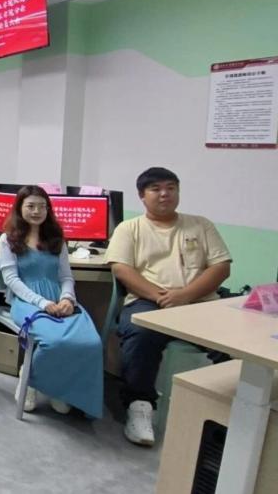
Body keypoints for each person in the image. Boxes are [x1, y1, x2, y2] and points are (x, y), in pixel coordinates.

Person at [106, 167, 231, 446]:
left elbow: (221, 267)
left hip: (200, 302)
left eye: (171, 188)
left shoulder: (200, 225)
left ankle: (231, 411)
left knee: (232, 342)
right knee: (140, 334)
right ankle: (139, 406)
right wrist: (162, 297)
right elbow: (122, 269)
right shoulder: (130, 228)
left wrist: (185, 296)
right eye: (156, 189)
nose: (165, 194)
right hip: (148, 301)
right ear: (142, 195)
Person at [0, 186, 103, 418]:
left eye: (42, 207)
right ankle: (31, 379)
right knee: (54, 342)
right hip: (27, 302)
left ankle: (59, 387)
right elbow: (12, 280)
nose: (37, 211)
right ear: (19, 208)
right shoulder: (8, 239)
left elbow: (66, 277)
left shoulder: (57, 239)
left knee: (91, 342)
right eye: (30, 206)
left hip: (59, 300)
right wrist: (42, 303)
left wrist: (67, 298)